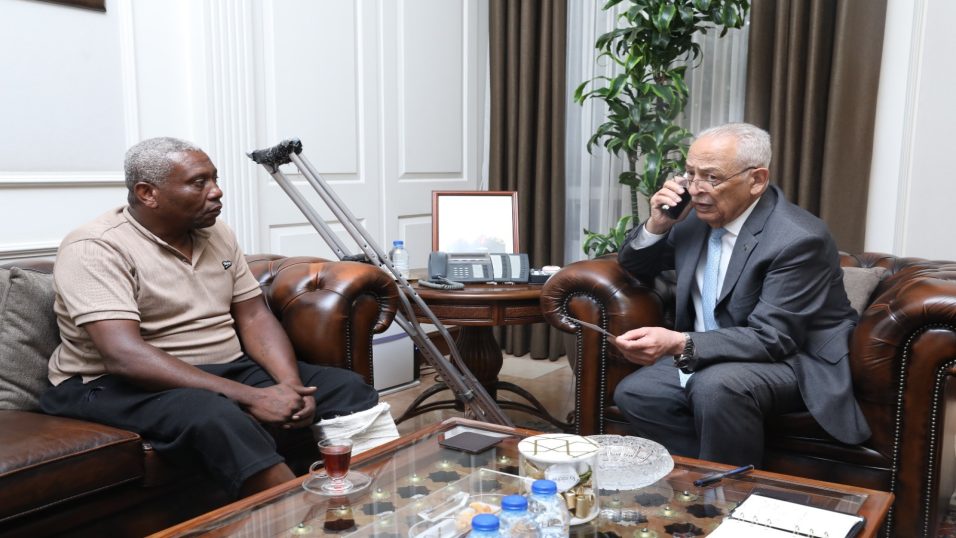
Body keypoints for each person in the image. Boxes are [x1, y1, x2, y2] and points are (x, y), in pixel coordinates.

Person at [41, 137, 398, 498]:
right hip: (111, 383)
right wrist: (252, 397)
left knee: (344, 387)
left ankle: (379, 499)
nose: (216, 191)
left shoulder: (217, 233)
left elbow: (254, 316)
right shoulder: (95, 247)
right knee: (216, 414)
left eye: (214, 179)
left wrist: (290, 385)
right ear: (148, 193)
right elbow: (124, 355)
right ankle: (305, 516)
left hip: (223, 367)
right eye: (199, 183)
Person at [611, 123, 870, 467]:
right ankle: (704, 477)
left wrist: (679, 342)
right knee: (637, 392)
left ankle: (726, 491)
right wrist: (658, 224)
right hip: (714, 352)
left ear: (757, 180)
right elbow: (636, 266)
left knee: (716, 386)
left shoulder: (798, 239)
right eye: (690, 174)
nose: (696, 189)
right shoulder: (692, 220)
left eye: (711, 177)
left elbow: (774, 338)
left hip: (794, 360)